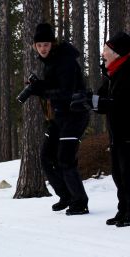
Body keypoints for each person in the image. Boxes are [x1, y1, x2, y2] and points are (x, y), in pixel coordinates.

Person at [17, 23, 90, 215]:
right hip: (60, 115)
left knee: (65, 159)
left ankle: (80, 201)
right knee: (46, 156)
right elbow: (52, 85)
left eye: (46, 45)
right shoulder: (51, 60)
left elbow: (66, 92)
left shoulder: (65, 61)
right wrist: (38, 85)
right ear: (34, 45)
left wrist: (40, 89)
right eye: (39, 45)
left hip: (75, 115)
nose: (43, 48)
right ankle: (66, 195)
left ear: (52, 44)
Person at [87, 32, 130, 227]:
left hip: (127, 132)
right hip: (116, 132)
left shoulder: (127, 72)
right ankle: (123, 211)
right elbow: (103, 100)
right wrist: (90, 100)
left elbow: (119, 103)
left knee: (127, 173)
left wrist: (101, 102)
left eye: (107, 49)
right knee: (118, 173)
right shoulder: (111, 73)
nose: (103, 53)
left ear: (117, 53)